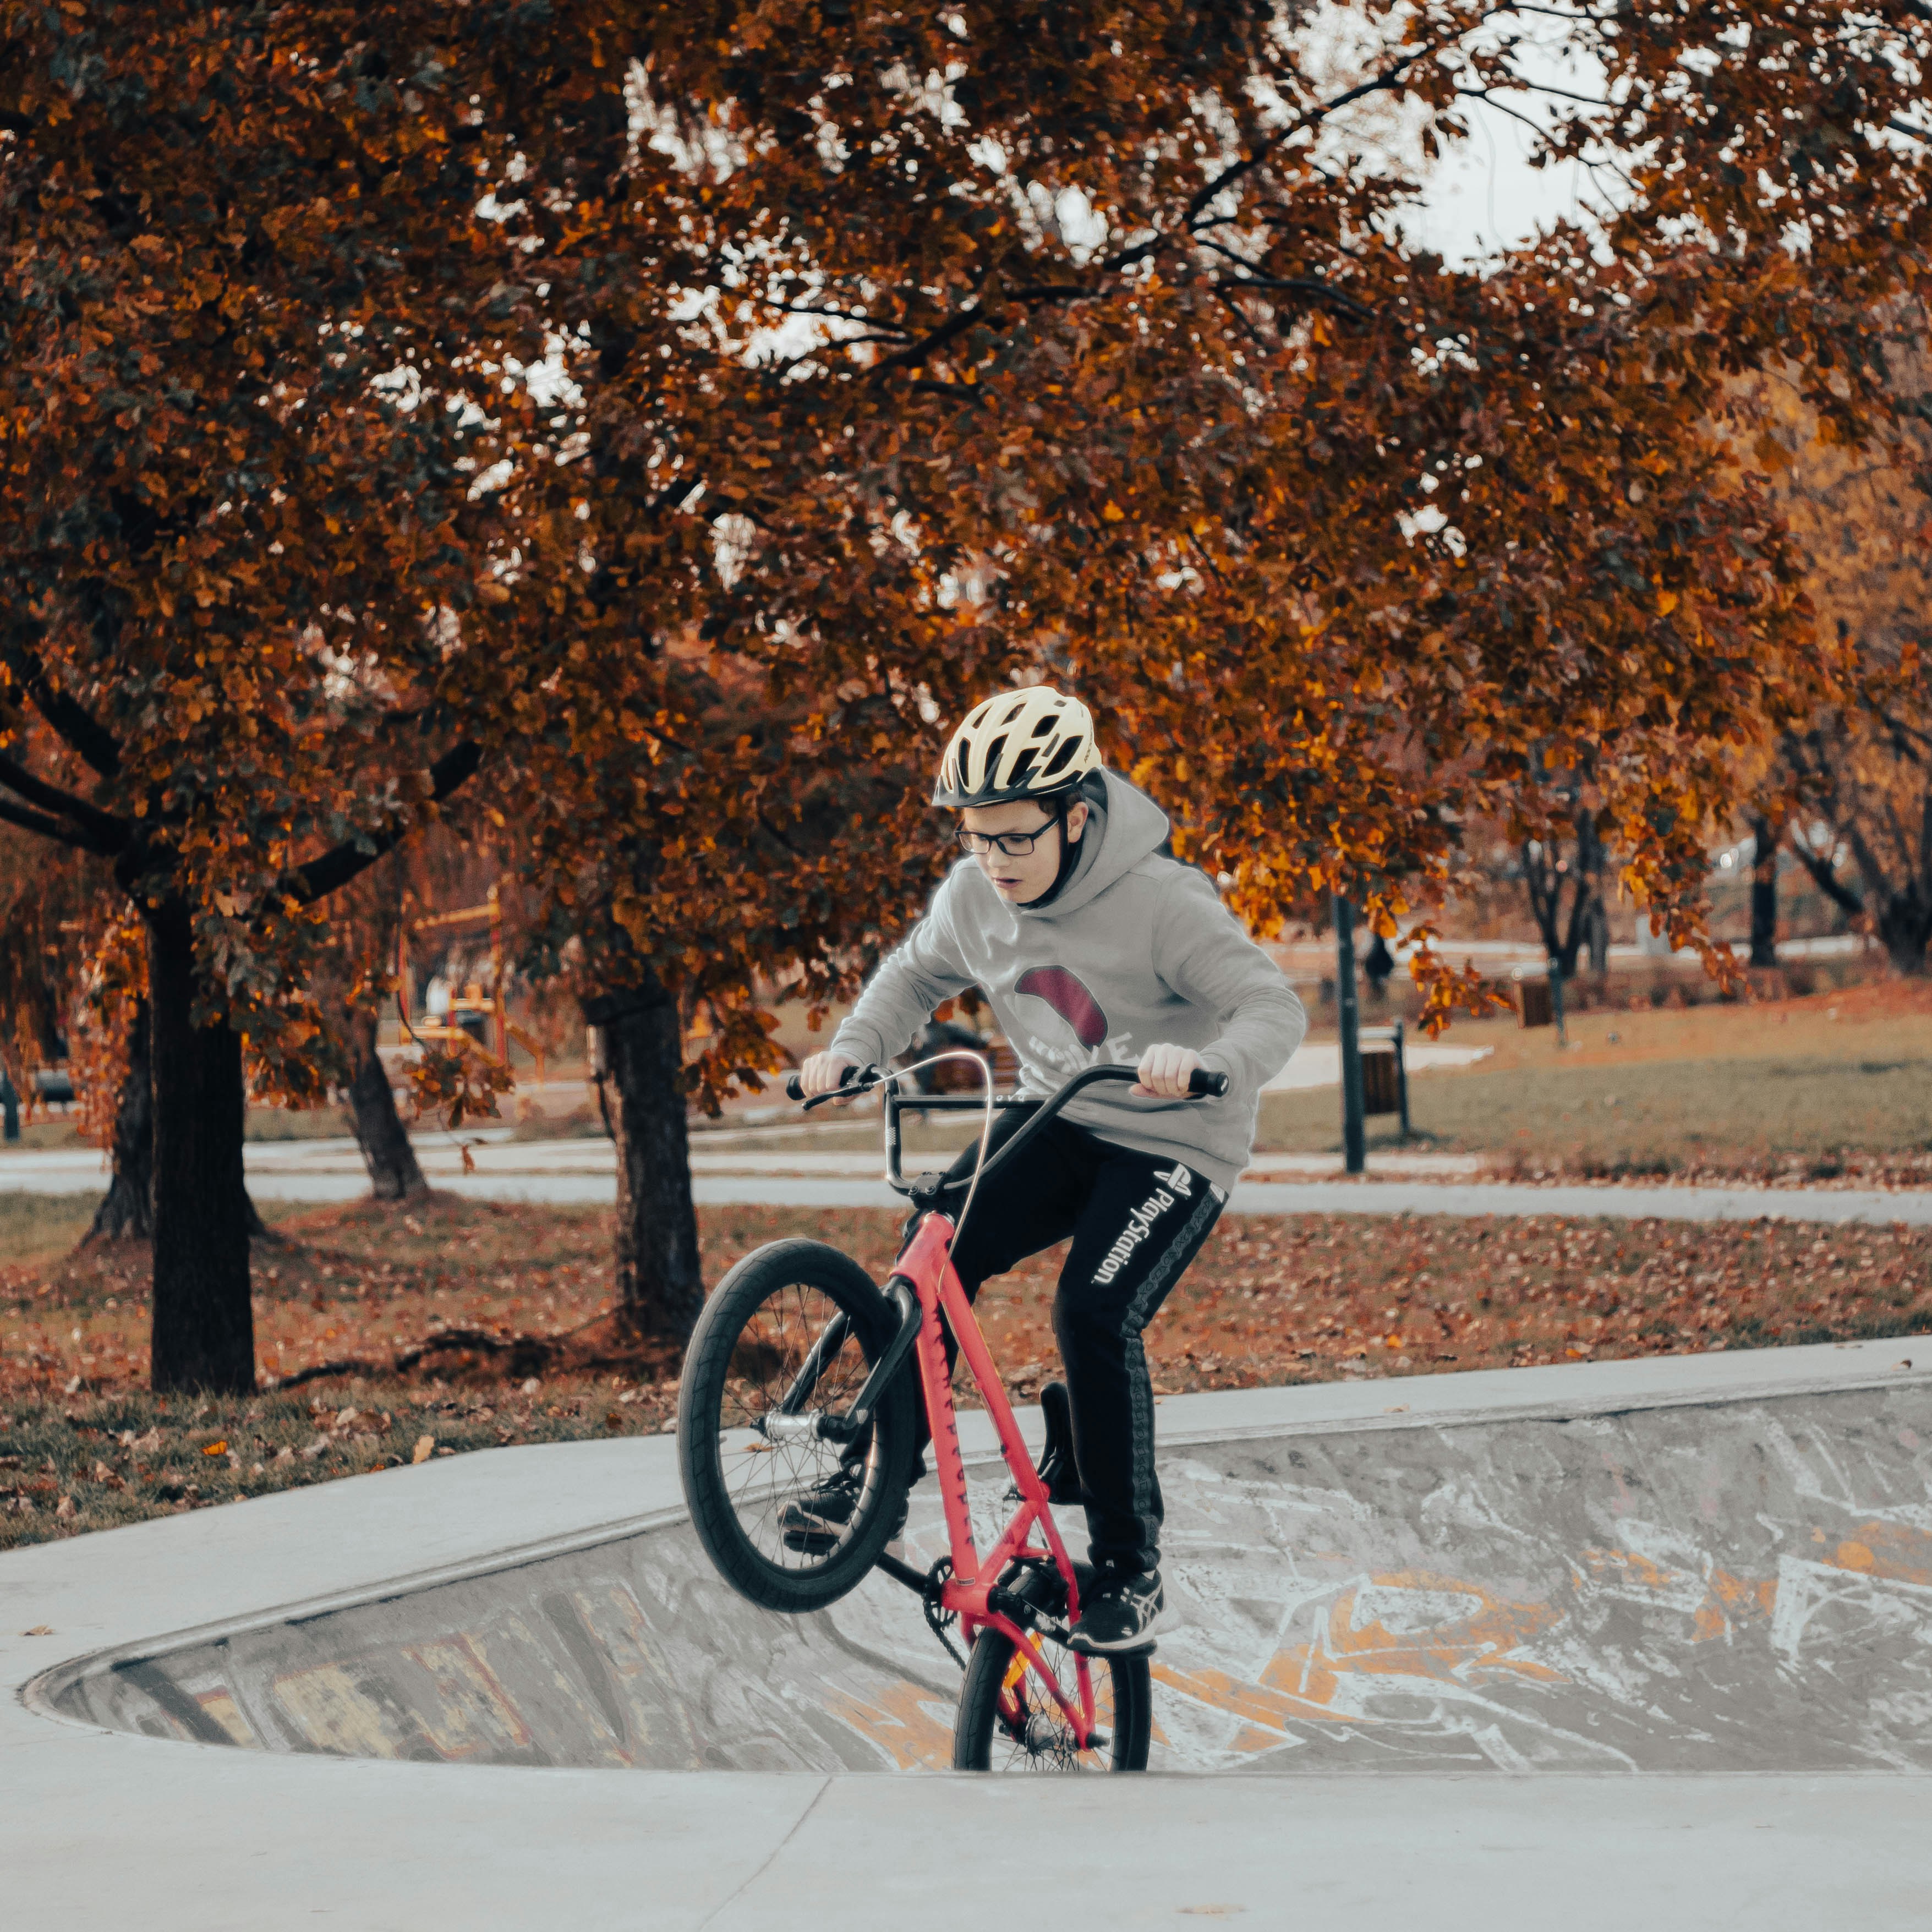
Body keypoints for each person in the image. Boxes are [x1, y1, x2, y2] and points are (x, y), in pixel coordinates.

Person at [796, 686, 1305, 1654]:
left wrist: (1208, 1066)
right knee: (932, 1253)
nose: (994, 861)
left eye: (1015, 839)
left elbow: (1271, 1008)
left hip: (1172, 1137)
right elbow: (911, 975)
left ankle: (1129, 1566)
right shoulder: (973, 895)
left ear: (1078, 816)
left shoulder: (1163, 902)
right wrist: (856, 1046)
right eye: (977, 839)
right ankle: (883, 1472)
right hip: (1055, 1115)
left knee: (1092, 1311)